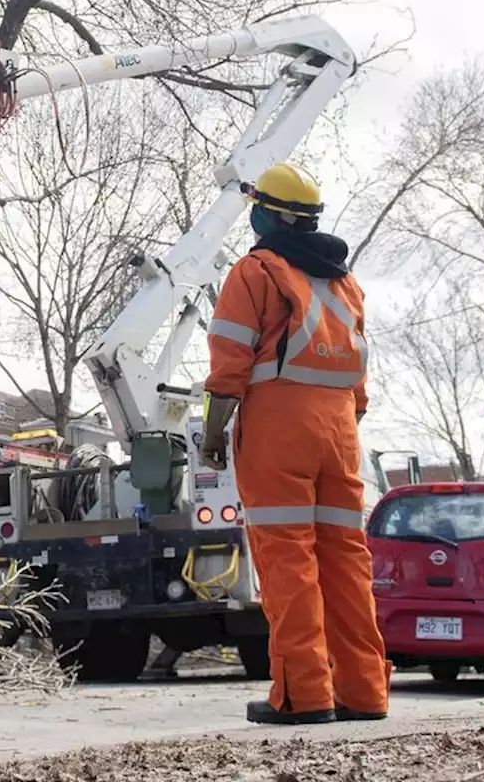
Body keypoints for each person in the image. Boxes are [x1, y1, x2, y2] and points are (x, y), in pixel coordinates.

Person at [198, 162, 390, 726]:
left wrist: (212, 434)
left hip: (279, 429)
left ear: (269, 215)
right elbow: (357, 384)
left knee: (288, 562)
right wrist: (343, 424)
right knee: (345, 562)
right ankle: (364, 692)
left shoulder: (255, 271)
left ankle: (302, 696)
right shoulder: (345, 282)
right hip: (340, 432)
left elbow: (228, 365)